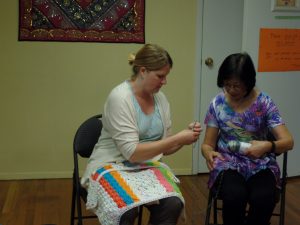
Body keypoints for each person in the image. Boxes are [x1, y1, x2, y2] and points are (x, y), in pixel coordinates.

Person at [81, 43, 202, 225]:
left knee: (173, 204)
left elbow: (166, 147)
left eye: (166, 76)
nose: (164, 82)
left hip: (146, 166)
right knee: (125, 210)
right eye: (160, 76)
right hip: (111, 164)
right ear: (143, 71)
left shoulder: (160, 99)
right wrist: (178, 138)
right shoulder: (120, 98)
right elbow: (132, 153)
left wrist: (186, 138)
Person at [201, 52, 294, 225]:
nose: (231, 90)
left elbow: (288, 142)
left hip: (261, 163)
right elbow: (207, 144)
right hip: (228, 162)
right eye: (227, 85)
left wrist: (267, 146)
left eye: (237, 85)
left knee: (263, 197)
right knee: (234, 195)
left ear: (249, 82)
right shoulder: (218, 103)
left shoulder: (264, 103)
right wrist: (208, 153)